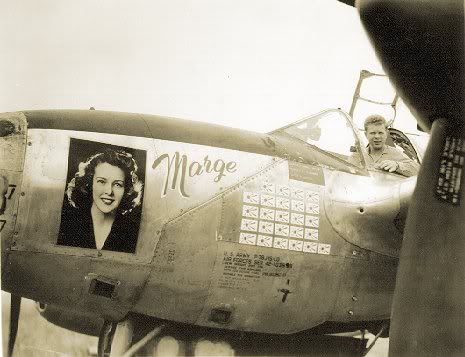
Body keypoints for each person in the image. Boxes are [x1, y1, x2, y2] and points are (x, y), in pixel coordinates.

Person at [57, 148, 143, 253]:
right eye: (102, 181)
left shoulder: (133, 232)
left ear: (126, 189)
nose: (109, 191)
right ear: (90, 183)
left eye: (117, 184)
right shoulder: (67, 225)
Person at [351, 115, 419, 177]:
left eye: (380, 133)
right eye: (372, 133)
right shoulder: (358, 156)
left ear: (386, 134)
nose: (377, 136)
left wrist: (397, 165)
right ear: (366, 134)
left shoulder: (395, 153)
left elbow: (418, 170)